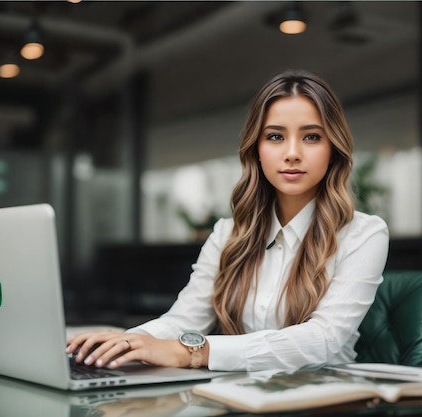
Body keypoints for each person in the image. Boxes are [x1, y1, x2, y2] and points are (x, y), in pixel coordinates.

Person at [66, 69, 389, 372]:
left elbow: (323, 339)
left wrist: (196, 353)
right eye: (275, 137)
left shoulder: (364, 234)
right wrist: (127, 341)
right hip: (238, 399)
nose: (292, 153)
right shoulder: (228, 233)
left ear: (333, 148)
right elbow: (184, 318)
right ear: (256, 150)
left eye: (311, 137)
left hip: (328, 400)